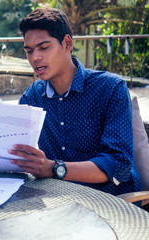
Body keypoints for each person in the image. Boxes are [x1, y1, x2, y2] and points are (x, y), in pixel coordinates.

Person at [9, 8, 141, 197]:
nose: (34, 58)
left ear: (67, 44)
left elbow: (118, 165)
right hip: (60, 200)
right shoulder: (32, 97)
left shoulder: (110, 88)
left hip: (113, 201)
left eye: (43, 47)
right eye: (29, 51)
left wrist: (53, 168)